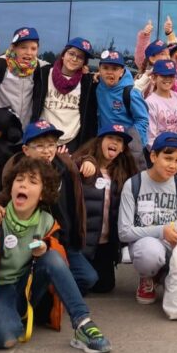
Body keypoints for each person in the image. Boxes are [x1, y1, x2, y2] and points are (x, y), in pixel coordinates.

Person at [0, 157, 111, 353]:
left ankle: (83, 323)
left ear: (42, 194)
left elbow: (60, 263)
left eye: (33, 181)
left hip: (28, 286)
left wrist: (46, 248)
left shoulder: (48, 222)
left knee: (53, 258)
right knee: (6, 338)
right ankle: (6, 315)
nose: (23, 184)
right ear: (12, 186)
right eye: (19, 179)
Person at [0, 120, 96, 294]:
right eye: (40, 146)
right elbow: (0, 198)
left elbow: (80, 161)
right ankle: (42, 296)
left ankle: (51, 294)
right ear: (26, 150)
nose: (47, 151)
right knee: (45, 274)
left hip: (65, 241)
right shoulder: (19, 173)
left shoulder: (64, 164)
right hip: (37, 242)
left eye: (51, 145)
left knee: (88, 278)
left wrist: (88, 161)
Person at [117, 132, 177, 304]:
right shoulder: (133, 184)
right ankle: (147, 278)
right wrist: (161, 231)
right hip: (146, 243)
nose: (173, 165)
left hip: (174, 243)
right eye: (168, 158)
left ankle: (165, 276)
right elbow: (124, 232)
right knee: (150, 253)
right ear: (153, 156)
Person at [74, 125, 140, 293]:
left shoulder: (124, 172)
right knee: (85, 283)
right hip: (82, 242)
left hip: (105, 244)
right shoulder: (83, 165)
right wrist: (84, 161)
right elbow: (66, 166)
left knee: (104, 286)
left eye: (119, 141)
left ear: (123, 149)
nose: (115, 143)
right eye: (110, 138)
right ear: (100, 141)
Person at [34, 38, 98, 152]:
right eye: (71, 54)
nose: (74, 59)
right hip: (43, 137)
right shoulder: (44, 74)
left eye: (80, 57)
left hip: (70, 142)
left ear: (84, 62)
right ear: (63, 55)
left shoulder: (87, 82)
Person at [95, 49, 150, 160]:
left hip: (129, 150)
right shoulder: (97, 86)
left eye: (115, 69)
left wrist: (127, 143)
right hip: (106, 148)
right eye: (105, 68)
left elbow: (143, 120)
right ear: (99, 69)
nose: (110, 72)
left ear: (121, 71)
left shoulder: (131, 92)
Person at [144, 58, 177, 149]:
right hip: (158, 150)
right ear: (154, 77)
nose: (168, 79)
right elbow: (150, 136)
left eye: (171, 76)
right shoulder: (150, 102)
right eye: (163, 76)